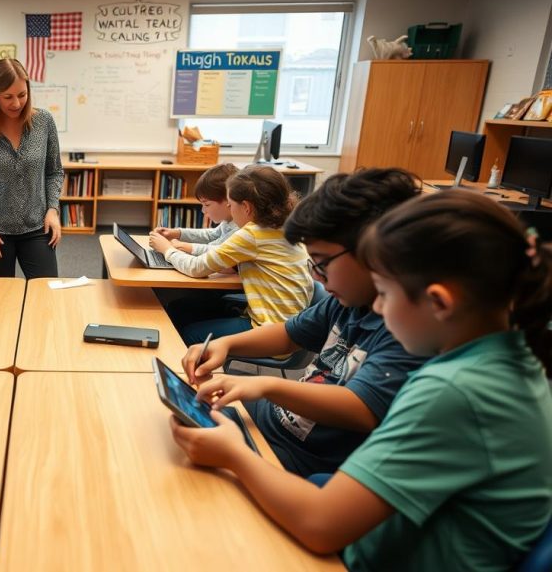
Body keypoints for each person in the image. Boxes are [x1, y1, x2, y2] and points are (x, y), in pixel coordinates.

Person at [170, 190, 552, 571]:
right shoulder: (511, 360)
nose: (380, 307)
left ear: (439, 303)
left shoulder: (453, 391)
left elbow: (321, 524)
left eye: (384, 292)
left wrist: (235, 454)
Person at [182, 168, 426, 476]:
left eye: (322, 264)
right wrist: (225, 344)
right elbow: (287, 334)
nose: (314, 276)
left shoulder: (407, 332)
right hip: (278, 422)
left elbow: (361, 408)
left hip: (299, 455)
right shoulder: (346, 303)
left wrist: (265, 386)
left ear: (375, 254)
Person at [150, 165, 312, 344]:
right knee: (183, 309)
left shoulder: (253, 234)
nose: (229, 208)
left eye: (230, 203)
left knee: (189, 333)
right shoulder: (285, 226)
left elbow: (196, 268)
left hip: (271, 331)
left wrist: (166, 249)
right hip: (293, 326)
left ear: (246, 207)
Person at [0, 58, 64, 279]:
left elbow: (54, 171)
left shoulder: (44, 122)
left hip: (37, 227)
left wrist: (53, 210)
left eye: (22, 95)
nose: (16, 103)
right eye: (8, 97)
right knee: (2, 301)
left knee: (45, 295)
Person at [152, 162, 240, 269]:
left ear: (229, 201)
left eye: (207, 204)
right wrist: (177, 233)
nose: (203, 210)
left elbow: (219, 251)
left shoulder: (240, 229)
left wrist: (184, 247)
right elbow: (212, 235)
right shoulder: (230, 221)